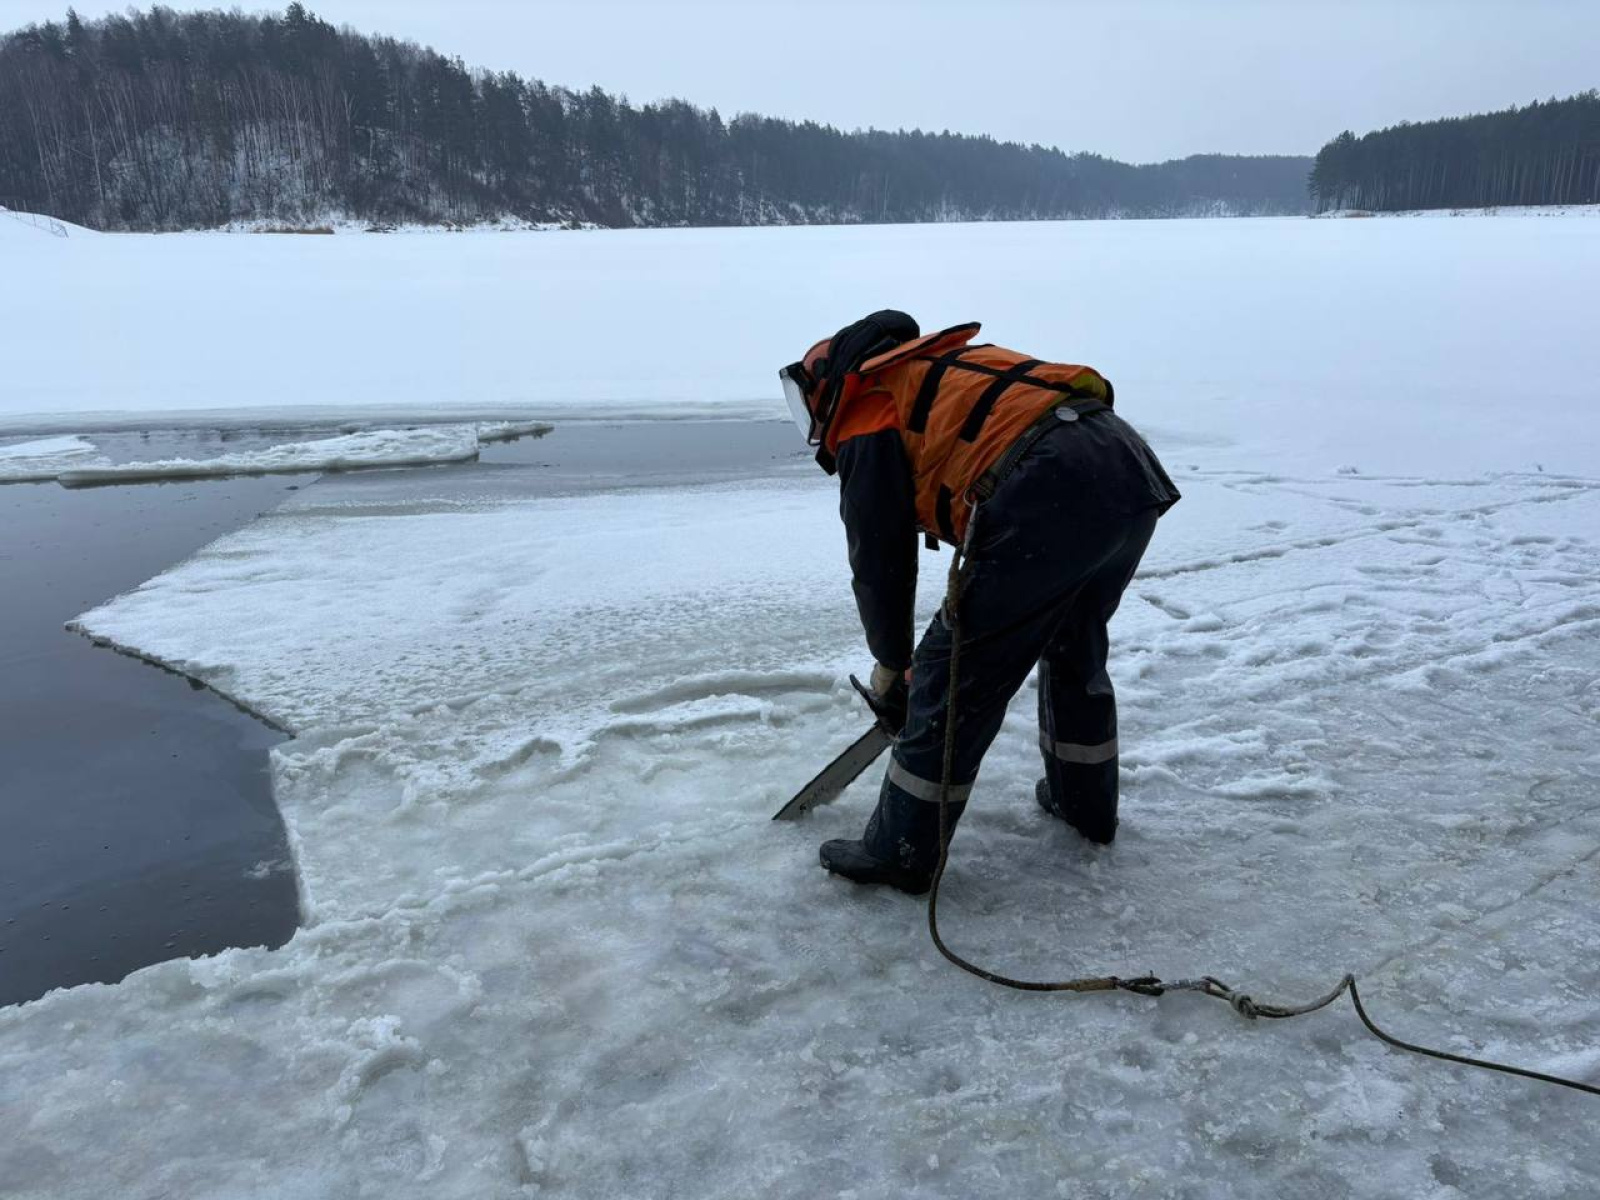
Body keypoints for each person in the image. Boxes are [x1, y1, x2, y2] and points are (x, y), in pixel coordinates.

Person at [779, 310, 1180, 894]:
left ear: (826, 384)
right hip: (1126, 470)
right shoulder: (940, 370)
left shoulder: (870, 408)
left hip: (1049, 482)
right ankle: (1085, 806)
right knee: (1073, 645)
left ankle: (900, 852)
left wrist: (894, 663)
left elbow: (881, 558)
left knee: (951, 675)